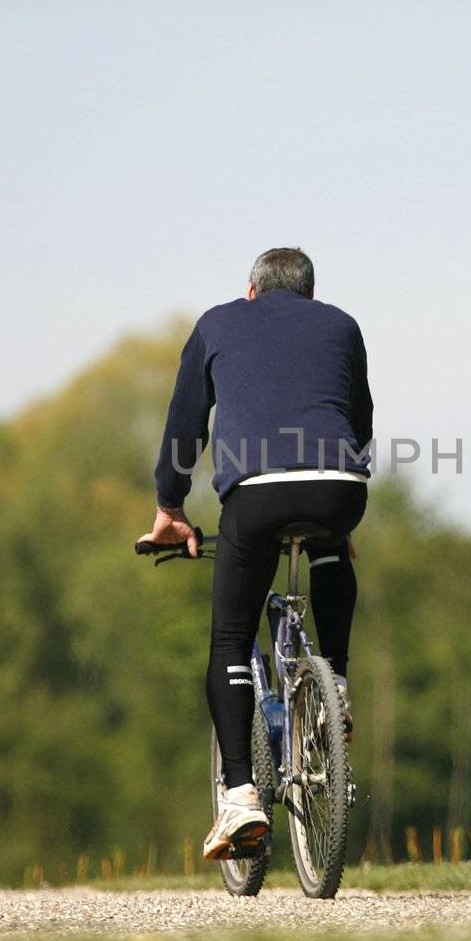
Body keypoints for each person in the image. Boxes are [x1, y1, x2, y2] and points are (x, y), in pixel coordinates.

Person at [139, 247, 372, 860]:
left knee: (228, 638)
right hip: (340, 487)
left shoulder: (217, 322)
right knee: (331, 550)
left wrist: (171, 506)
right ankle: (336, 681)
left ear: (250, 290)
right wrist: (335, 499)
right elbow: (361, 417)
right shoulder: (341, 325)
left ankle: (240, 794)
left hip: (256, 497)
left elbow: (187, 422)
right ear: (311, 297)